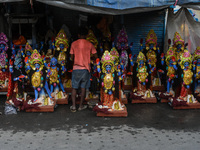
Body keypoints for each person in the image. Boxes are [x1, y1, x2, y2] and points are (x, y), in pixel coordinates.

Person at [70, 27, 98, 112]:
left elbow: (71, 57)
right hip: (85, 69)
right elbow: (96, 56)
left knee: (74, 88)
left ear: (78, 35)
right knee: (83, 88)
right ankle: (81, 106)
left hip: (76, 68)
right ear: (86, 36)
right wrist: (89, 57)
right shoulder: (89, 44)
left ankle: (74, 106)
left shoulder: (73, 44)